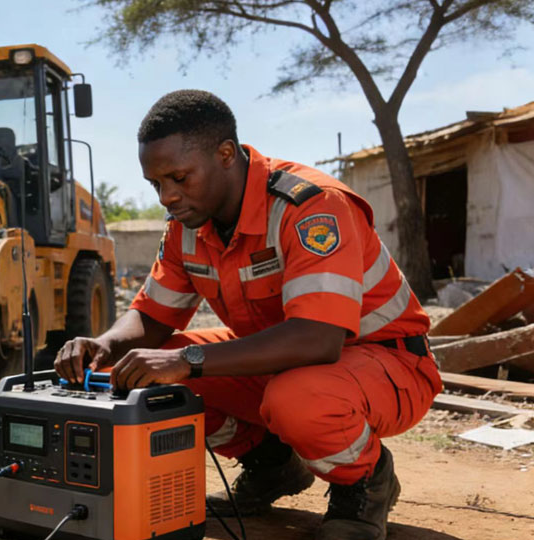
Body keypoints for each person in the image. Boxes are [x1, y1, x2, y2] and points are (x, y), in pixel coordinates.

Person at [54, 90, 441, 540]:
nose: (167, 197)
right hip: (284, 365)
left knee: (293, 398)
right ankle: (272, 464)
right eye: (156, 184)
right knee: (147, 366)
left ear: (224, 154)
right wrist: (104, 344)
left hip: (389, 364)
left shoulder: (311, 208)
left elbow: (318, 339)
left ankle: (363, 483)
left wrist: (188, 363)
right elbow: (152, 317)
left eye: (178, 177)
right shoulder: (187, 228)